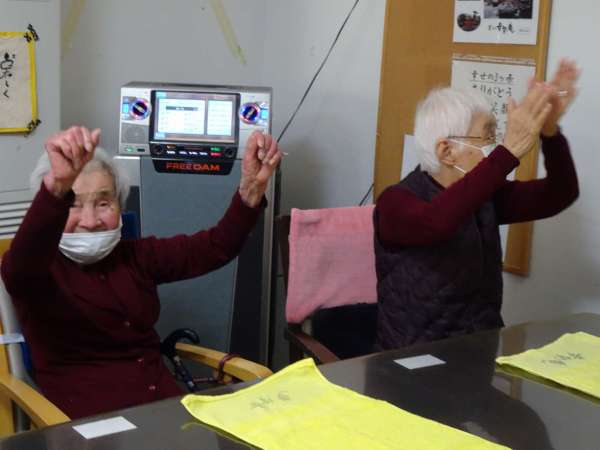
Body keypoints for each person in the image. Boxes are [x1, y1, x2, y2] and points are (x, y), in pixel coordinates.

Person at [0, 126, 282, 419]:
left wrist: (251, 190)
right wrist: (57, 186)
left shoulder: (138, 255)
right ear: (54, 209)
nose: (90, 221)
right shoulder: (35, 270)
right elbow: (19, 265)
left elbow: (215, 247)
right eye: (73, 204)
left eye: (104, 203)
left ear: (120, 205)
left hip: (164, 407)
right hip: (89, 421)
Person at [374, 60, 580, 350]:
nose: (494, 145)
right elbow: (436, 223)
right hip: (410, 359)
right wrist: (507, 152)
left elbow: (561, 192)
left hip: (479, 351)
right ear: (447, 151)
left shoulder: (486, 195)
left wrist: (550, 132)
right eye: (488, 135)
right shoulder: (395, 202)